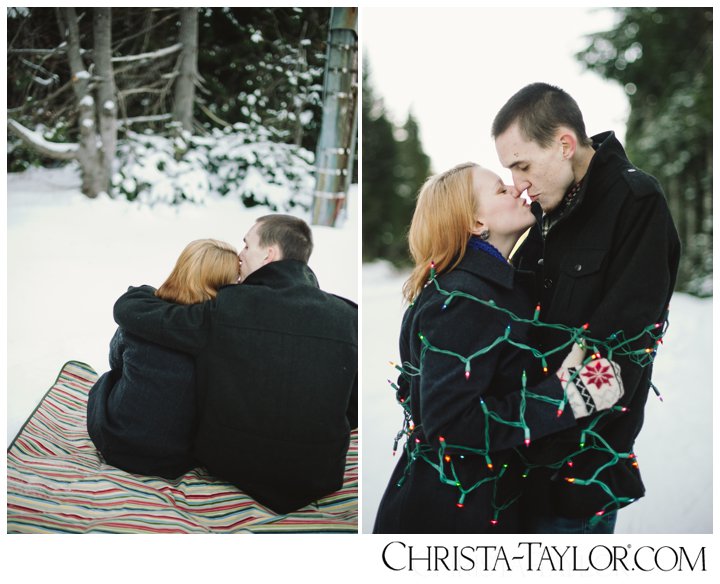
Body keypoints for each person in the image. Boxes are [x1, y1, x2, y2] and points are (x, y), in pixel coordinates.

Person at [373, 163, 624, 534]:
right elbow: (450, 425)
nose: (515, 189)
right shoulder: (465, 298)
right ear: (476, 223)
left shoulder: (488, 287)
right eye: (499, 189)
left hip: (475, 503)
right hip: (449, 517)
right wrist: (572, 396)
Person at [492, 82, 681, 533]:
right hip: (514, 461)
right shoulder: (541, 209)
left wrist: (532, 427)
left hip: (576, 470)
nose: (518, 185)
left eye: (522, 166)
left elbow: (621, 355)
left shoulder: (636, 204)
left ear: (563, 144)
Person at [112, 214, 358, 514]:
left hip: (234, 467)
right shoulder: (348, 316)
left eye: (246, 245)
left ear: (269, 253)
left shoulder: (228, 307)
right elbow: (352, 408)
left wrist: (142, 293)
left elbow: (146, 316)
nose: (239, 255)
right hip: (319, 476)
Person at [87, 239, 240, 479]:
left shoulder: (146, 314)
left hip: (114, 441)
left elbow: (115, 360)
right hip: (174, 458)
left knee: (108, 379)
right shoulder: (218, 335)